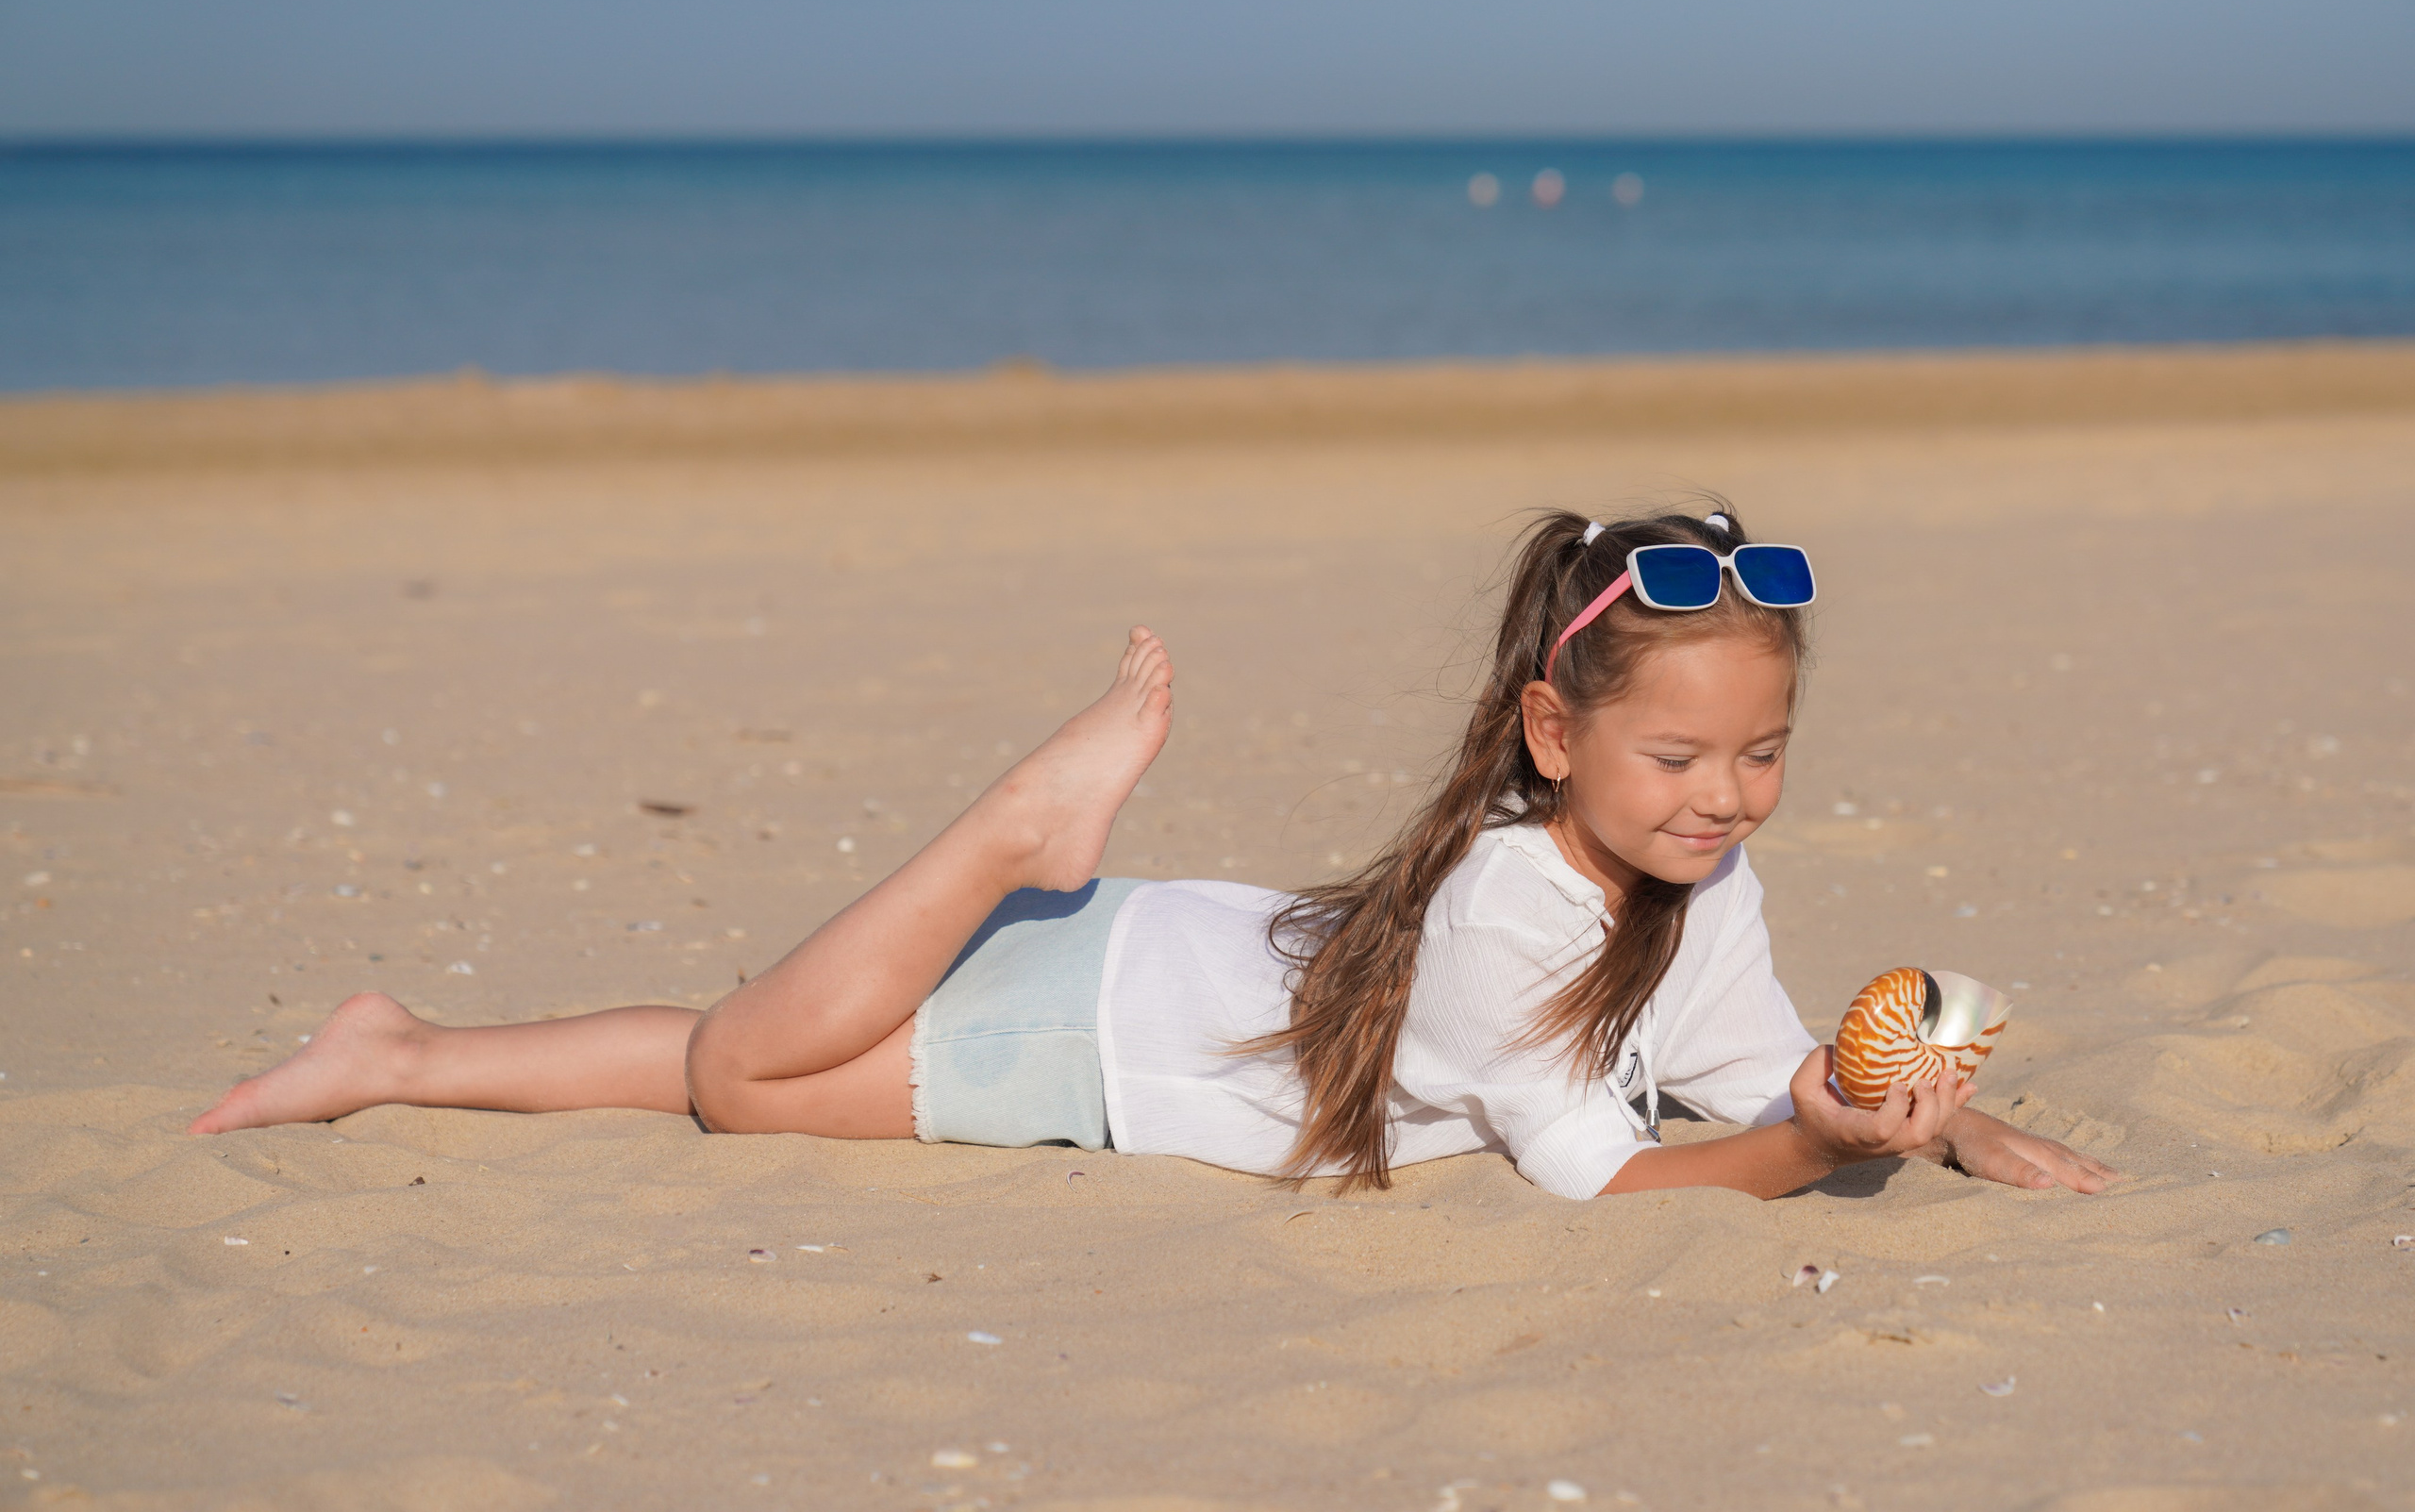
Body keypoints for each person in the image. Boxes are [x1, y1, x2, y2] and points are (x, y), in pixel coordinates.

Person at [192, 507, 2116, 1202]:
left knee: (719, 1041)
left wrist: (1918, 1111)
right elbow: (1615, 1183)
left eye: (1760, 751)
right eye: (1680, 751)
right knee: (735, 1079)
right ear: (1552, 733)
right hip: (1091, 1044)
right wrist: (1812, 1152)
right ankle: (1011, 821)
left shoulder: (1700, 884)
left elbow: (1736, 1061)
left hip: (1130, 967)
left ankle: (400, 1046)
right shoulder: (1510, 901)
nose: (1725, 792)